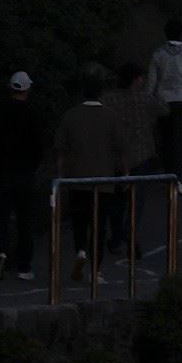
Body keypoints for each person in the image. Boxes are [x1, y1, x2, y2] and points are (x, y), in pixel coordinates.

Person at [53, 70, 128, 284]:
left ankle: (80, 251)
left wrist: (61, 175)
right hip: (104, 181)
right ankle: (96, 271)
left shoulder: (70, 115)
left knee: (80, 220)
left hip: (77, 179)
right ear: (101, 93)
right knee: (99, 225)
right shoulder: (111, 116)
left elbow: (60, 149)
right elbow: (121, 149)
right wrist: (125, 174)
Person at [0, 70, 43, 281]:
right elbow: (39, 146)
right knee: (26, 220)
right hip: (25, 173)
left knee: (2, 217)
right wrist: (33, 166)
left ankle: (1, 252)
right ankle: (24, 265)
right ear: (27, 89)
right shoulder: (32, 114)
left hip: (3, 171)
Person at [99, 62, 157, 253]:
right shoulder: (144, 99)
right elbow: (163, 109)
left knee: (116, 199)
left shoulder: (108, 100)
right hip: (141, 154)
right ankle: (129, 232)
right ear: (136, 80)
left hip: (115, 156)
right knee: (137, 199)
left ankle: (116, 234)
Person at [144, 18, 182, 196]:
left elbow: (151, 84)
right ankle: (176, 178)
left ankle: (167, 174)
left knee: (165, 139)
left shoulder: (158, 54)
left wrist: (148, 104)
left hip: (163, 101)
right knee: (179, 141)